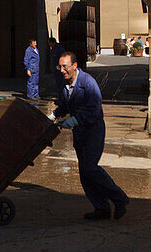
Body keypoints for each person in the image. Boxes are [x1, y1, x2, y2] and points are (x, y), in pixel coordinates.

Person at [50, 50, 129, 220]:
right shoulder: (65, 85)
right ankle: (101, 209)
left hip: (93, 130)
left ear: (75, 65)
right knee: (84, 173)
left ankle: (119, 198)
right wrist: (54, 115)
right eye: (59, 67)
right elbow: (65, 106)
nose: (62, 70)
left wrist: (74, 121)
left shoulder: (88, 83)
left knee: (91, 168)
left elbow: (94, 111)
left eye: (65, 67)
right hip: (80, 133)